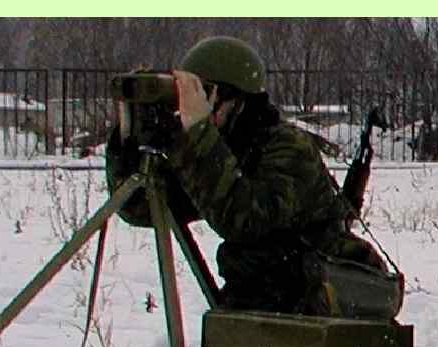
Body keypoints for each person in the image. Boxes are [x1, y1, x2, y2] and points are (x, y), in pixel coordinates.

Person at [107, 36, 389, 316]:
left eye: (203, 96)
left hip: (312, 302)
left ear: (237, 100)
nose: (193, 107)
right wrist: (127, 140)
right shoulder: (221, 147)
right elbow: (143, 208)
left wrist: (199, 135)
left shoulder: (288, 148)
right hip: (259, 307)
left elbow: (244, 220)